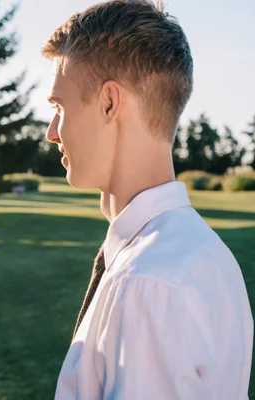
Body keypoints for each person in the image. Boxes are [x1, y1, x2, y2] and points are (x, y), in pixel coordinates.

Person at [41, 1, 253, 398]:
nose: (52, 131)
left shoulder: (148, 282)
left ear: (109, 102)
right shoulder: (207, 252)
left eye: (59, 106)